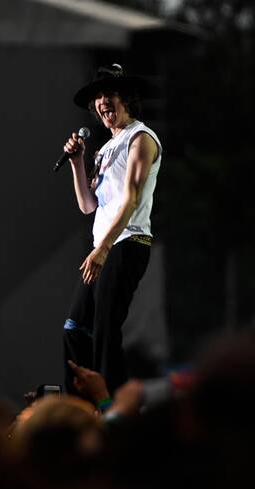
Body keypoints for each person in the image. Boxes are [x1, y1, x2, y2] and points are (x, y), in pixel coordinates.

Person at [61, 64, 162, 400]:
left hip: (127, 243)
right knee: (76, 328)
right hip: (104, 246)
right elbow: (89, 206)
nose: (103, 102)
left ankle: (113, 408)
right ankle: (80, 403)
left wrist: (102, 250)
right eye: (98, 97)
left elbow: (131, 198)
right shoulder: (105, 148)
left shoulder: (141, 138)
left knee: (104, 330)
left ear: (126, 98)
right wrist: (78, 162)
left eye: (109, 94)